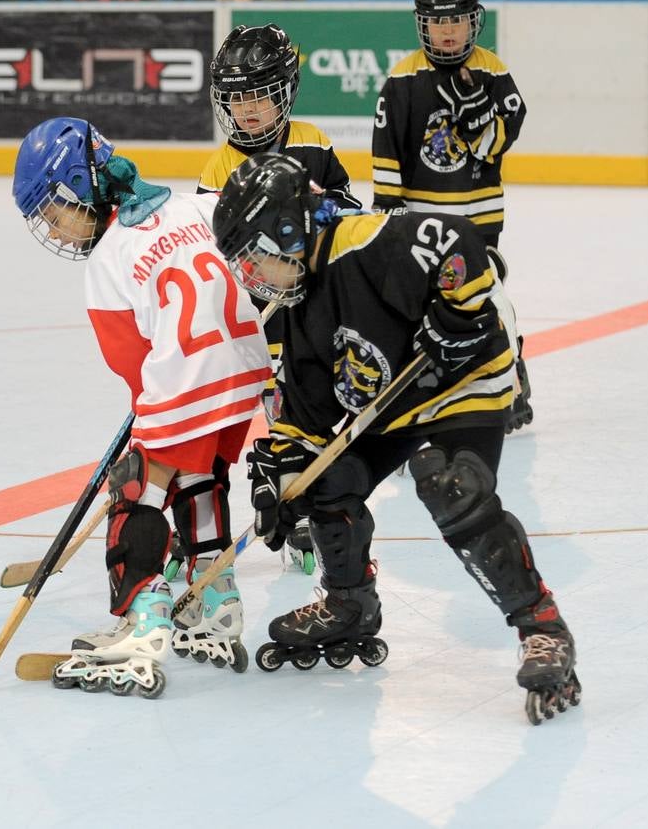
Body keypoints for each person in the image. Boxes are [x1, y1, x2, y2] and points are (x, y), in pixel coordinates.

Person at [212, 152, 579, 725]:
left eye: (254, 257)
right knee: (322, 484)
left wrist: (456, 318)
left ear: (288, 228)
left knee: (451, 487)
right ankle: (348, 604)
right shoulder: (297, 307)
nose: (252, 276)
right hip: (393, 405)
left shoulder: (364, 240)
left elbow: (458, 241)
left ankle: (542, 626)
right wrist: (281, 478)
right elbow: (304, 418)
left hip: (463, 381)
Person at [12, 117, 272, 697]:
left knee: (137, 483)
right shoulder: (192, 206)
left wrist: (152, 424)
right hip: (246, 373)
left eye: (54, 212)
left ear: (80, 186)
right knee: (200, 476)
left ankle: (142, 620)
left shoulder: (109, 256)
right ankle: (215, 600)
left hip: (188, 378)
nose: (55, 228)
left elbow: (133, 367)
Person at [197, 23, 361, 574]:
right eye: (236, 100)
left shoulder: (312, 141)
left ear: (285, 92)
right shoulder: (217, 169)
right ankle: (291, 514)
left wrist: (327, 210)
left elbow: (348, 210)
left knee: (316, 415)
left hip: (316, 312)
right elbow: (214, 254)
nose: (247, 112)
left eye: (260, 98)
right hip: (262, 322)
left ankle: (316, 513)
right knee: (281, 413)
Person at [372, 0, 533, 432]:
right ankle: (424, 386)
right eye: (438, 21)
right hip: (422, 218)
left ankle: (511, 373)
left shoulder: (494, 70)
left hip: (479, 215)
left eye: (456, 20)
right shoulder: (402, 80)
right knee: (420, 305)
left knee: (488, 297)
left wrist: (481, 120)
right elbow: (388, 153)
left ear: (472, 21)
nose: (447, 31)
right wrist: (388, 214)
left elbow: (502, 138)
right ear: (423, 24)